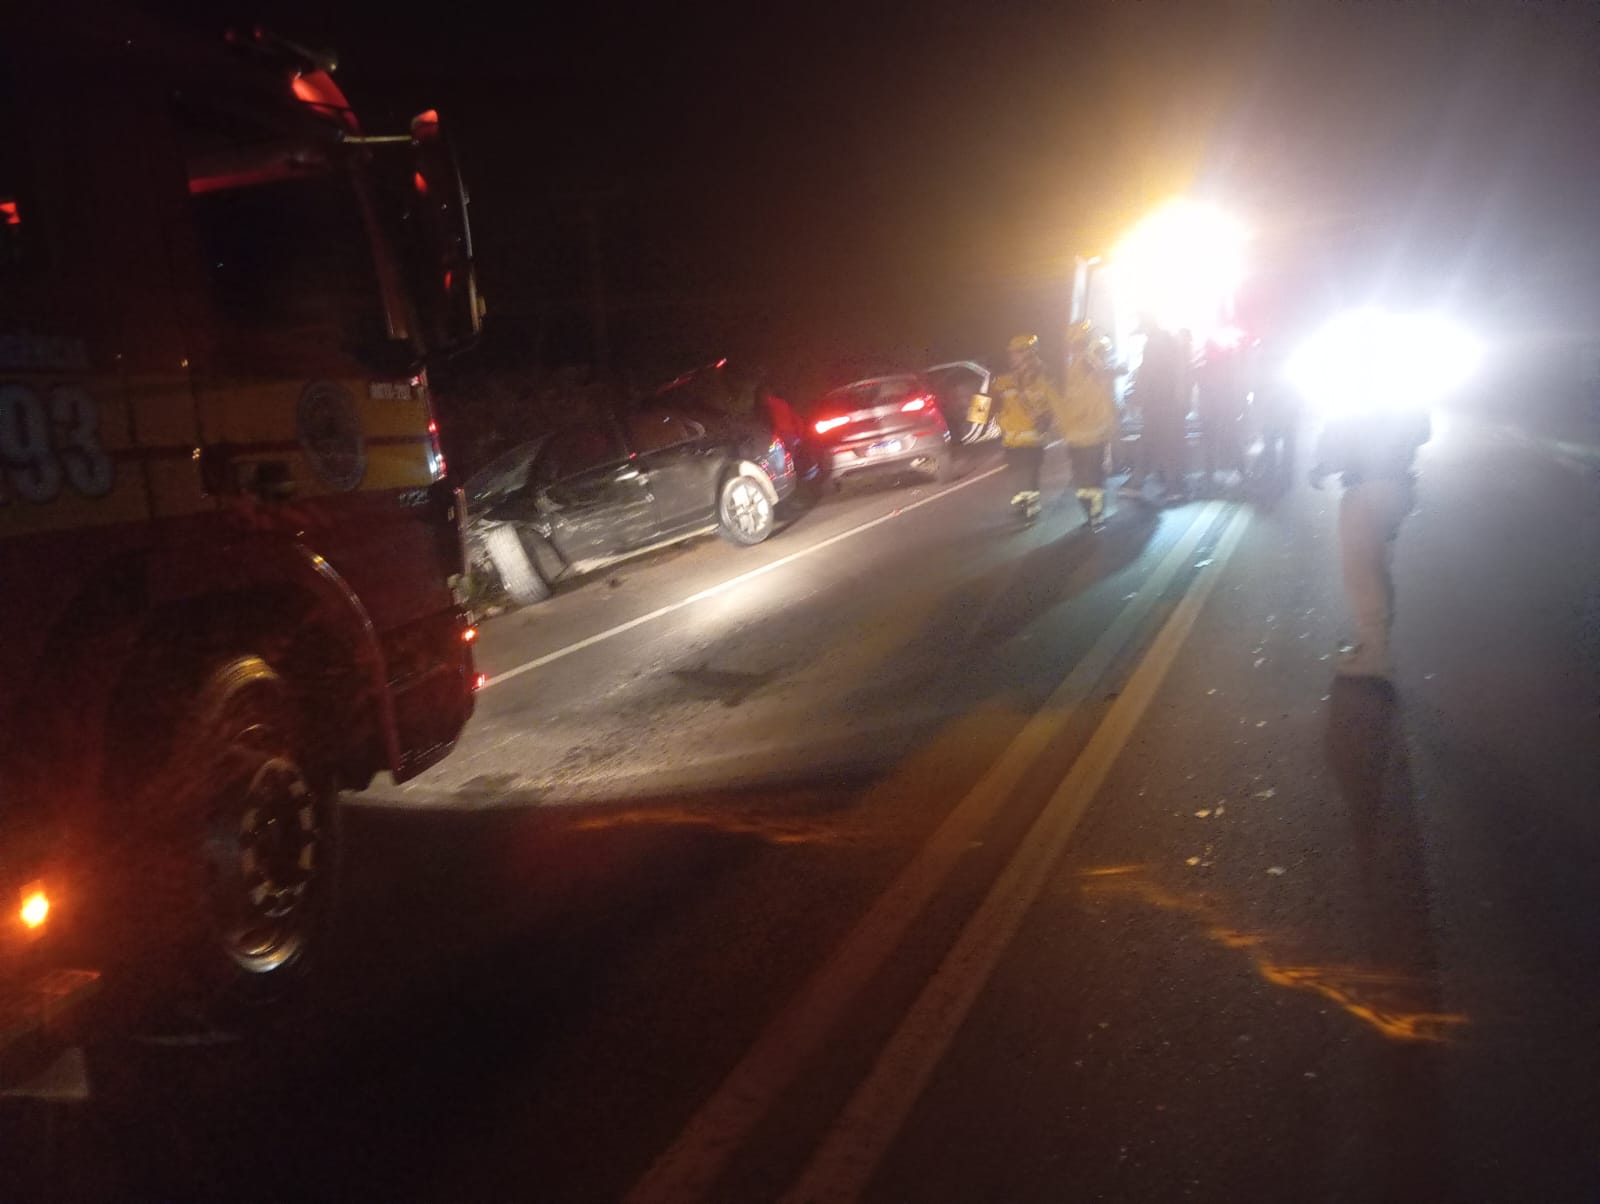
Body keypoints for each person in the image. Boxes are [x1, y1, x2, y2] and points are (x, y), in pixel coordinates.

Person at [1309, 402, 1431, 679]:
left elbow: (1336, 448)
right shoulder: (1407, 397)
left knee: (1361, 574)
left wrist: (1321, 468)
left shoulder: (1359, 399)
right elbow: (1424, 431)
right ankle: (1374, 645)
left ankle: (1375, 654)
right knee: (1378, 569)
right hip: (1399, 489)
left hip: (1367, 493)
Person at [1054, 320, 1119, 530]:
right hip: (1079, 436)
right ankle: (1094, 516)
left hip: (1089, 435)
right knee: (1086, 481)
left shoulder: (1088, 364)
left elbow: (1097, 398)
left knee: (1088, 480)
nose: (1072, 347)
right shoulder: (1077, 366)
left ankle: (1095, 517)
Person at [1120, 317, 1188, 502]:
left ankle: (1145, 484)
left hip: (1157, 402)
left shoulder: (1154, 343)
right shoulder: (1168, 340)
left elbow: (1147, 372)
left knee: (1153, 443)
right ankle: (1166, 486)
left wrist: (1137, 395)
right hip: (1167, 402)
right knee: (1161, 444)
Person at [994, 332, 1057, 521]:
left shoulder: (1042, 376)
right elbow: (989, 400)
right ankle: (1024, 502)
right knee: (1017, 472)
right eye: (1011, 353)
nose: (1011, 356)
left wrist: (1047, 420)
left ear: (1027, 353)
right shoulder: (1005, 379)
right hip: (1011, 437)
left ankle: (1032, 505)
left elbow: (1051, 403)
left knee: (1029, 471)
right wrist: (977, 417)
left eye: (1015, 352)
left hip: (1032, 435)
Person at [1195, 336, 1248, 491]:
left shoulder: (1205, 367)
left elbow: (1203, 388)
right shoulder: (1226, 365)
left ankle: (1210, 473)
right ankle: (1240, 470)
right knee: (1229, 439)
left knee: (1211, 442)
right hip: (1225, 409)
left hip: (1214, 410)